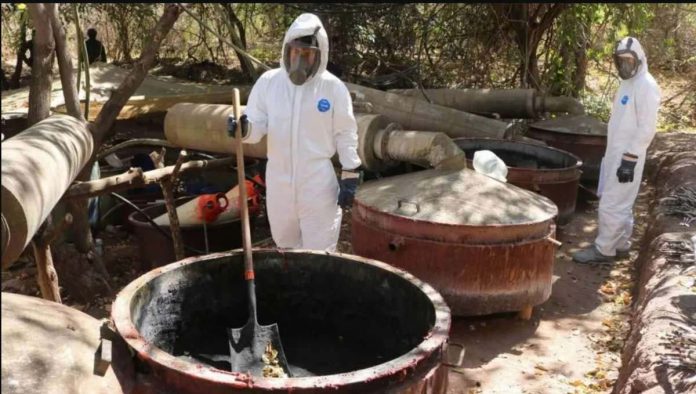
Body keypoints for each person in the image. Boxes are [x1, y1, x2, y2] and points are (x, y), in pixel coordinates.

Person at [239, 13, 361, 252]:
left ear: (319, 55)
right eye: (296, 52)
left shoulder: (332, 88)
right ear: (287, 49)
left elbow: (345, 132)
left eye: (307, 54)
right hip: (278, 182)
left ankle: (319, 290)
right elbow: (256, 125)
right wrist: (244, 128)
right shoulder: (269, 83)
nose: (300, 59)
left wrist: (350, 172)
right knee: (285, 249)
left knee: (319, 254)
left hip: (317, 185)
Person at [573, 36, 660, 264]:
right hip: (616, 153)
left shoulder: (646, 86)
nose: (625, 66)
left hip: (629, 156)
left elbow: (647, 128)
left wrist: (630, 157)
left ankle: (604, 250)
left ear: (639, 59)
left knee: (613, 202)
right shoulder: (627, 83)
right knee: (621, 201)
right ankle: (621, 244)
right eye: (621, 61)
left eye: (629, 61)